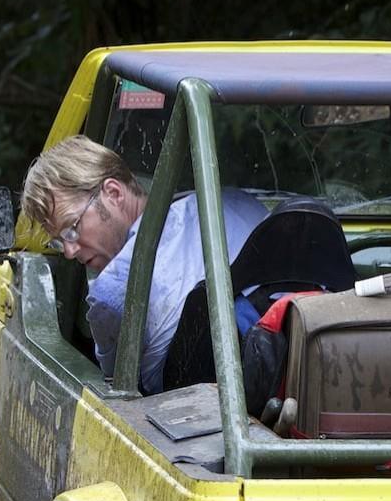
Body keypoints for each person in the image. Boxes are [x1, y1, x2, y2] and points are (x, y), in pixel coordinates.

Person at [22, 135, 268, 393]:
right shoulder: (238, 204)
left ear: (114, 193)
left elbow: (116, 392)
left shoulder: (113, 292)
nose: (70, 252)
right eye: (60, 242)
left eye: (72, 229)